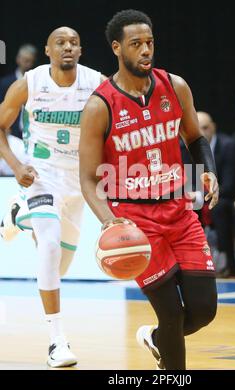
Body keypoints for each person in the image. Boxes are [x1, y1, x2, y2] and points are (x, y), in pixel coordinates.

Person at [79, 9, 219, 370]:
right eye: (136, 44)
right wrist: (111, 222)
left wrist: (208, 173)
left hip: (179, 211)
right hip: (136, 222)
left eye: (149, 43)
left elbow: (194, 138)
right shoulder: (100, 105)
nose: (145, 50)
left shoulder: (175, 86)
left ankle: (155, 339)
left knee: (203, 311)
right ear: (117, 48)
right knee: (171, 314)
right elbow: (89, 179)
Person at [0, 27, 106, 367]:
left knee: (57, 269)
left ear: (81, 49)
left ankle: (16, 215)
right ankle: (57, 341)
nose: (67, 47)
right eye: (60, 43)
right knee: (47, 245)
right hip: (41, 176)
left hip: (79, 183)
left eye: (74, 42)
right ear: (48, 50)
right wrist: (16, 166)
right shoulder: (28, 84)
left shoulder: (96, 83)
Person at [196, 111, 235, 277]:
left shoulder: (229, 146)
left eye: (205, 128)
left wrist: (205, 196)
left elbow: (230, 185)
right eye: (198, 128)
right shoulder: (188, 149)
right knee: (185, 208)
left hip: (230, 196)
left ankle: (231, 264)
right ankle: (195, 265)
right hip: (205, 197)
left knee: (219, 209)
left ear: (213, 127)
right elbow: (191, 182)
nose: (202, 132)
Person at [0, 44, 38, 139]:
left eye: (30, 61)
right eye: (25, 60)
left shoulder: (38, 82)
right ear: (18, 59)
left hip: (33, 132)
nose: (27, 64)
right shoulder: (5, 83)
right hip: (11, 131)